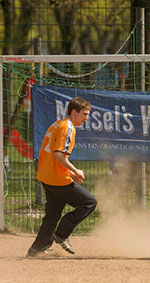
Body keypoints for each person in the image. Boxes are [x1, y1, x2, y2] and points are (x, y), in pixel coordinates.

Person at [27, 97, 98, 257]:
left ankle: (37, 249)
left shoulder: (57, 124)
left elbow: (54, 155)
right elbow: (59, 154)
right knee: (89, 203)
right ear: (74, 112)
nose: (87, 118)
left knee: (52, 214)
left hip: (46, 176)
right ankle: (61, 234)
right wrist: (76, 171)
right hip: (58, 179)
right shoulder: (68, 127)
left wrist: (71, 172)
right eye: (85, 114)